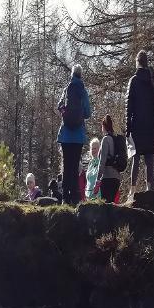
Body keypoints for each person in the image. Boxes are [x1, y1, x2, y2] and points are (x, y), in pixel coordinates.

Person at [125, 50, 154, 201]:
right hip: (151, 125)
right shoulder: (152, 81)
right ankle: (150, 190)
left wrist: (128, 126)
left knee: (136, 158)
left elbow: (129, 105)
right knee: (150, 160)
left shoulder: (134, 80)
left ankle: (132, 192)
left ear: (137, 62)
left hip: (137, 124)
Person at [57, 64, 91, 205]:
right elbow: (88, 113)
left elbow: (59, 105)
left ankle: (65, 197)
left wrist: (65, 112)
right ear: (81, 75)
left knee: (66, 163)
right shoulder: (83, 91)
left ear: (72, 74)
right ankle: (75, 196)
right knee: (75, 164)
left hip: (65, 135)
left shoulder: (66, 89)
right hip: (77, 136)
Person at [97, 115, 122, 203]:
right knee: (112, 204)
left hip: (107, 177)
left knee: (106, 206)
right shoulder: (116, 140)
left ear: (103, 126)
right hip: (117, 178)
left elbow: (102, 161)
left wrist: (98, 179)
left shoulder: (105, 139)